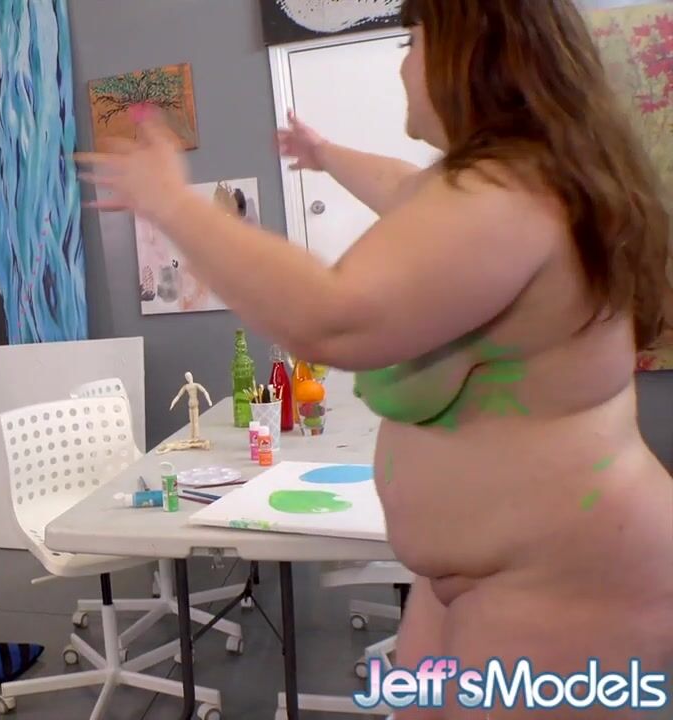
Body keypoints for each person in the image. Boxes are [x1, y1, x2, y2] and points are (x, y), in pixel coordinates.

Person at [77, 1, 673, 717]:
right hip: (473, 579)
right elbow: (399, 186)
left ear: (468, 54)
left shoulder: (514, 198)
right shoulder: (491, 185)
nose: (403, 64)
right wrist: (324, 154)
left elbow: (333, 320)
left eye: (411, 42)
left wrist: (173, 203)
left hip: (567, 579)